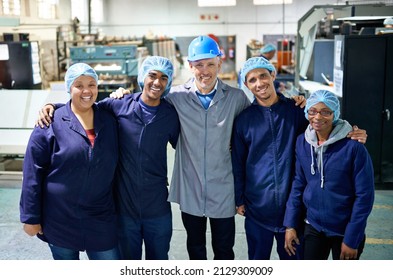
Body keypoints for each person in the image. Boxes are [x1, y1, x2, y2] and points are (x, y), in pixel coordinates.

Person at [36, 56, 180, 260]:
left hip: (157, 207)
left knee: (159, 261)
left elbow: (184, 146)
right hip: (124, 210)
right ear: (143, 77)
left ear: (169, 82)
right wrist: (54, 107)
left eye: (164, 78)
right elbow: (83, 106)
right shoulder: (119, 105)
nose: (157, 82)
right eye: (152, 75)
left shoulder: (171, 116)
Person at [231, 57, 368, 260]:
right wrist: (239, 198)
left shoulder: (296, 112)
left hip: (294, 211)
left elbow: (325, 124)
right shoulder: (244, 121)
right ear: (246, 85)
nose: (259, 83)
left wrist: (353, 131)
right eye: (252, 80)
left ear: (273, 75)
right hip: (258, 209)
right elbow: (238, 162)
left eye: (263, 76)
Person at [20, 63, 120, 260]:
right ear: (69, 88)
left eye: (92, 85)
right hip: (60, 218)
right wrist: (31, 217)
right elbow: (32, 173)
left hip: (101, 216)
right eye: (79, 85)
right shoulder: (50, 123)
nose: (86, 91)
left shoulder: (110, 120)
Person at [283, 90, 374, 260]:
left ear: (335, 114)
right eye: (313, 111)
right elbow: (298, 184)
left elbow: (365, 197)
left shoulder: (353, 148)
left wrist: (352, 239)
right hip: (313, 226)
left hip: (345, 229)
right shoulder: (302, 143)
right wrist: (290, 224)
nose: (318, 117)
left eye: (326, 112)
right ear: (307, 112)